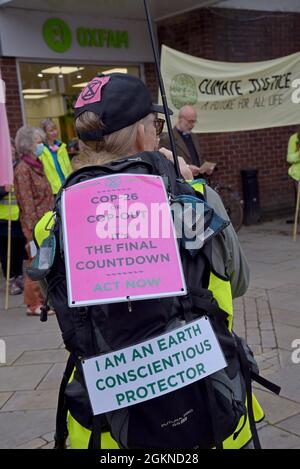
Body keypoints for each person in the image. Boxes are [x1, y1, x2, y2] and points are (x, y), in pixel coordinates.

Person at [34, 74, 263, 449]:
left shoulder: (53, 224)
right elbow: (238, 283)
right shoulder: (196, 201)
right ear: (143, 135)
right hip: (211, 408)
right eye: (156, 126)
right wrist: (187, 188)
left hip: (110, 430)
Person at [14, 126, 54, 316]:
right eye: (38, 142)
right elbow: (26, 200)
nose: (41, 146)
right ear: (28, 145)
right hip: (34, 225)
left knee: (44, 260)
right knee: (34, 262)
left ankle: (43, 300)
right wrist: (31, 232)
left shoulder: (36, 164)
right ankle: (32, 303)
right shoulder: (23, 169)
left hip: (45, 221)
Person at [159, 105, 216, 178]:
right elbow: (165, 164)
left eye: (194, 121)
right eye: (190, 121)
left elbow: (198, 159)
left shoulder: (194, 137)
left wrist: (206, 168)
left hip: (199, 181)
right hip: (183, 183)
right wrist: (187, 167)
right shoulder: (168, 139)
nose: (192, 125)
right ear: (180, 119)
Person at [0, 140, 26, 295]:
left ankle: (19, 276)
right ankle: (10, 279)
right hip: (3, 219)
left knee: (18, 249)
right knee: (6, 251)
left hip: (19, 216)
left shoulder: (19, 167)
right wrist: (3, 190)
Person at [40, 118, 73, 195]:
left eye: (55, 129)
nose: (55, 132)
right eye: (51, 131)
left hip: (67, 186)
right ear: (44, 133)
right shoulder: (41, 151)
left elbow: (68, 168)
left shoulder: (62, 146)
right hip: (52, 190)